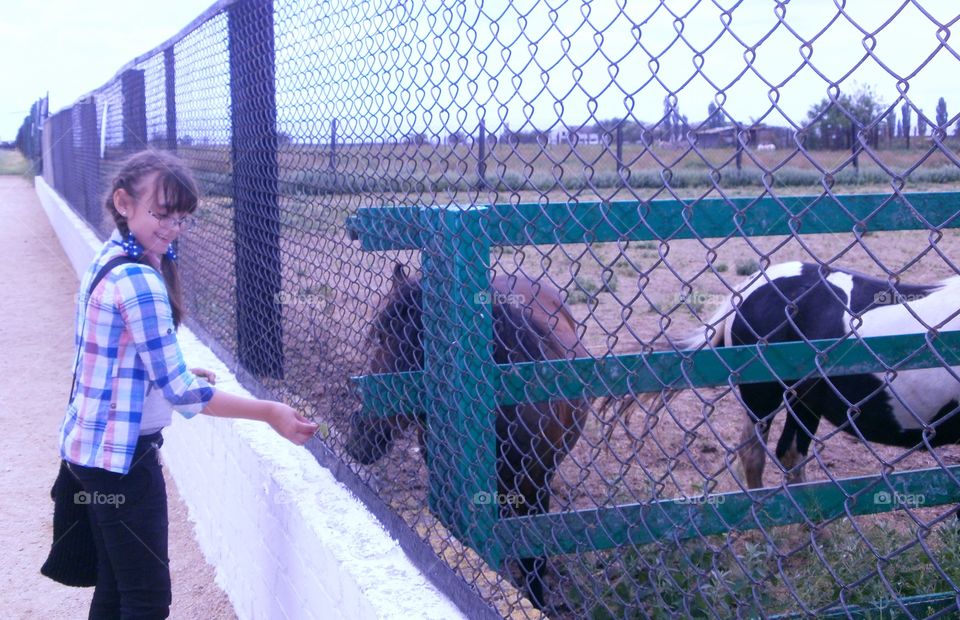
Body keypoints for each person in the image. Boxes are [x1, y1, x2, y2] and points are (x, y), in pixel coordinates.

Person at [58, 149, 318, 619]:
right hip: (121, 460)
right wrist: (270, 411)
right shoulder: (139, 278)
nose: (172, 227)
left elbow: (121, 356)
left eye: (181, 217)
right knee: (147, 597)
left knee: (118, 587)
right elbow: (181, 392)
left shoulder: (113, 254)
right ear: (123, 202)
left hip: (90, 449)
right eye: (161, 213)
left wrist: (167, 377)